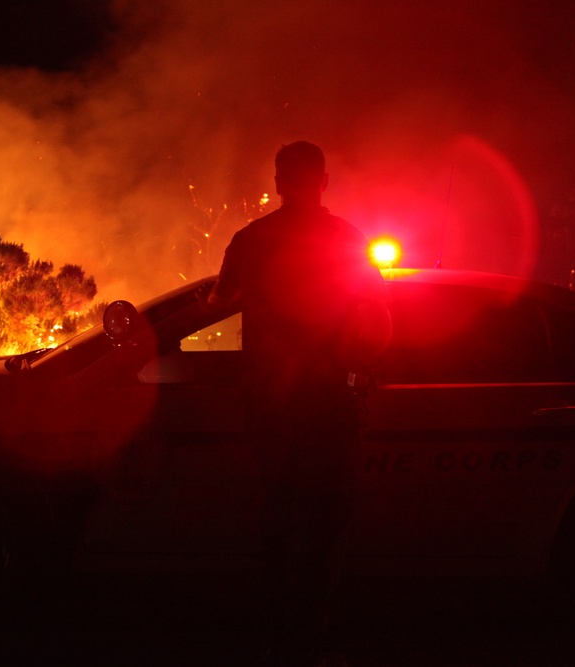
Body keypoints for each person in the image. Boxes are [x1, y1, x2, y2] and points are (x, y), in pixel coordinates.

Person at [204, 141, 390, 663]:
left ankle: (274, 625)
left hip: (270, 399)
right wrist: (359, 371)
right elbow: (378, 317)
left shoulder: (251, 239)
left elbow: (221, 302)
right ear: (323, 182)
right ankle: (315, 628)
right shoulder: (348, 240)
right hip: (332, 398)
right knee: (327, 513)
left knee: (278, 508)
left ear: (280, 181)